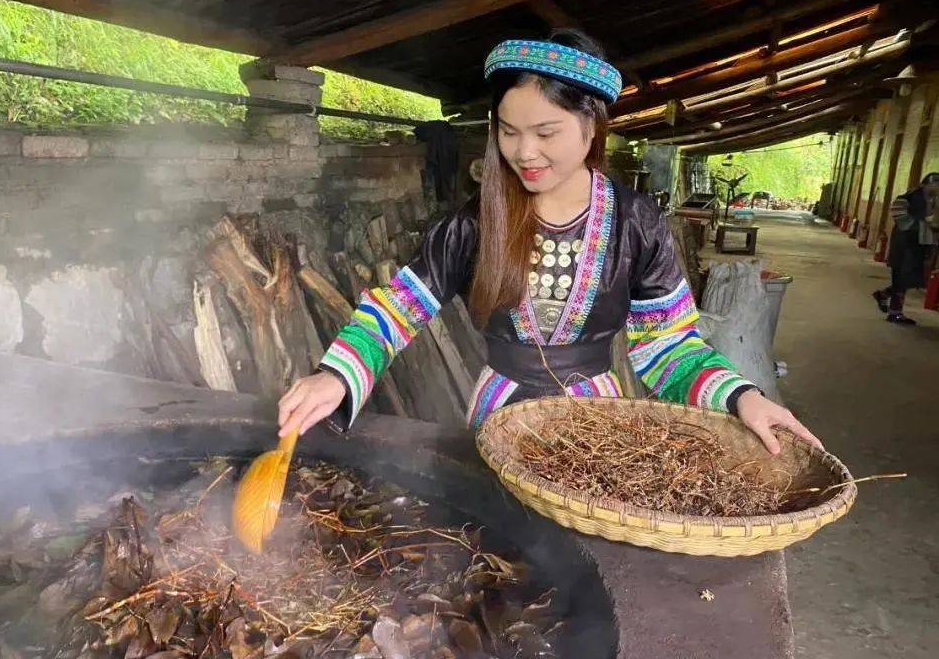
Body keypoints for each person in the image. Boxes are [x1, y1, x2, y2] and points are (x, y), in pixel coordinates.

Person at [279, 30, 822, 456]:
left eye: (546, 132)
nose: (525, 153)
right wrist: (337, 377)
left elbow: (668, 347)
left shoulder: (635, 223)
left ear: (591, 126)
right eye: (508, 131)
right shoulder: (472, 224)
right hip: (498, 414)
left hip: (597, 422)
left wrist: (744, 396)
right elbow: (398, 309)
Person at [873, 172, 939, 325]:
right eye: (935, 185)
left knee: (910, 279)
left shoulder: (930, 199)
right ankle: (895, 312)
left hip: (917, 244)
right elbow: (898, 212)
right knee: (903, 277)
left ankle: (885, 297)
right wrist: (919, 226)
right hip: (905, 244)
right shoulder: (913, 196)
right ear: (926, 184)